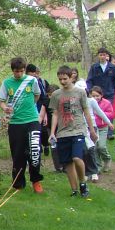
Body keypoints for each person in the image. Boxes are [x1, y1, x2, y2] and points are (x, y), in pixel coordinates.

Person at [0, 57, 46, 193]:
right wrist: (5, 107)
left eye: (21, 71)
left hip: (32, 120)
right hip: (15, 123)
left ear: (24, 70)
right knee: (18, 154)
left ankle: (36, 180)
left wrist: (30, 107)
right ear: (12, 71)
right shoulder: (7, 83)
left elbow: (36, 96)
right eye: (16, 71)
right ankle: (18, 183)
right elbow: (1, 100)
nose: (18, 74)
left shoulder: (32, 81)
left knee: (35, 150)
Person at [49, 66, 98, 198]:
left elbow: (86, 112)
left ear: (71, 77)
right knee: (67, 163)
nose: (63, 81)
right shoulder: (56, 95)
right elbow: (54, 114)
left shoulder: (80, 92)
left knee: (77, 157)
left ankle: (83, 182)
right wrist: (52, 132)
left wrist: (91, 130)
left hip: (78, 129)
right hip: (62, 132)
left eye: (65, 79)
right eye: (60, 79)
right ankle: (74, 189)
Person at [90, 86, 115, 172]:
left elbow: (111, 114)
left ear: (101, 95)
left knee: (101, 146)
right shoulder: (89, 103)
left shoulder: (106, 103)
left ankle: (107, 158)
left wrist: (100, 113)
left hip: (103, 127)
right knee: (95, 147)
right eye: (93, 96)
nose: (95, 98)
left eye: (97, 96)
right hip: (93, 128)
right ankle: (98, 165)